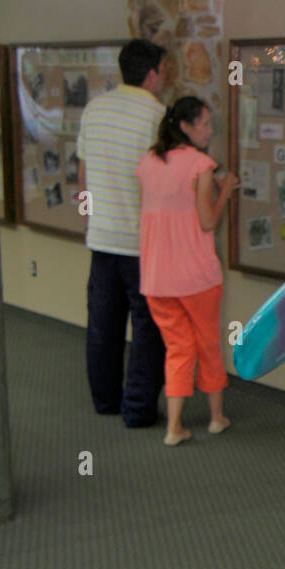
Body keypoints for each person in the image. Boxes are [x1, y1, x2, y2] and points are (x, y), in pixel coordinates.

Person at [136, 97, 238, 446]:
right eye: (205, 123)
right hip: (197, 276)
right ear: (186, 126)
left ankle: (174, 426)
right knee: (209, 344)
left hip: (155, 277)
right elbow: (208, 221)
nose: (210, 130)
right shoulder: (201, 165)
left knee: (177, 348)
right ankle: (216, 417)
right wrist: (225, 191)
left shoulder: (148, 162)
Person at [76, 39, 167, 427]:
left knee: (102, 326)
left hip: (101, 238)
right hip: (141, 244)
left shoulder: (93, 109)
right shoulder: (156, 115)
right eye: (163, 71)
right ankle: (138, 408)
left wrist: (89, 222)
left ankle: (105, 400)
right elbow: (162, 182)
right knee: (147, 330)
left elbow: (83, 177)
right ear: (151, 74)